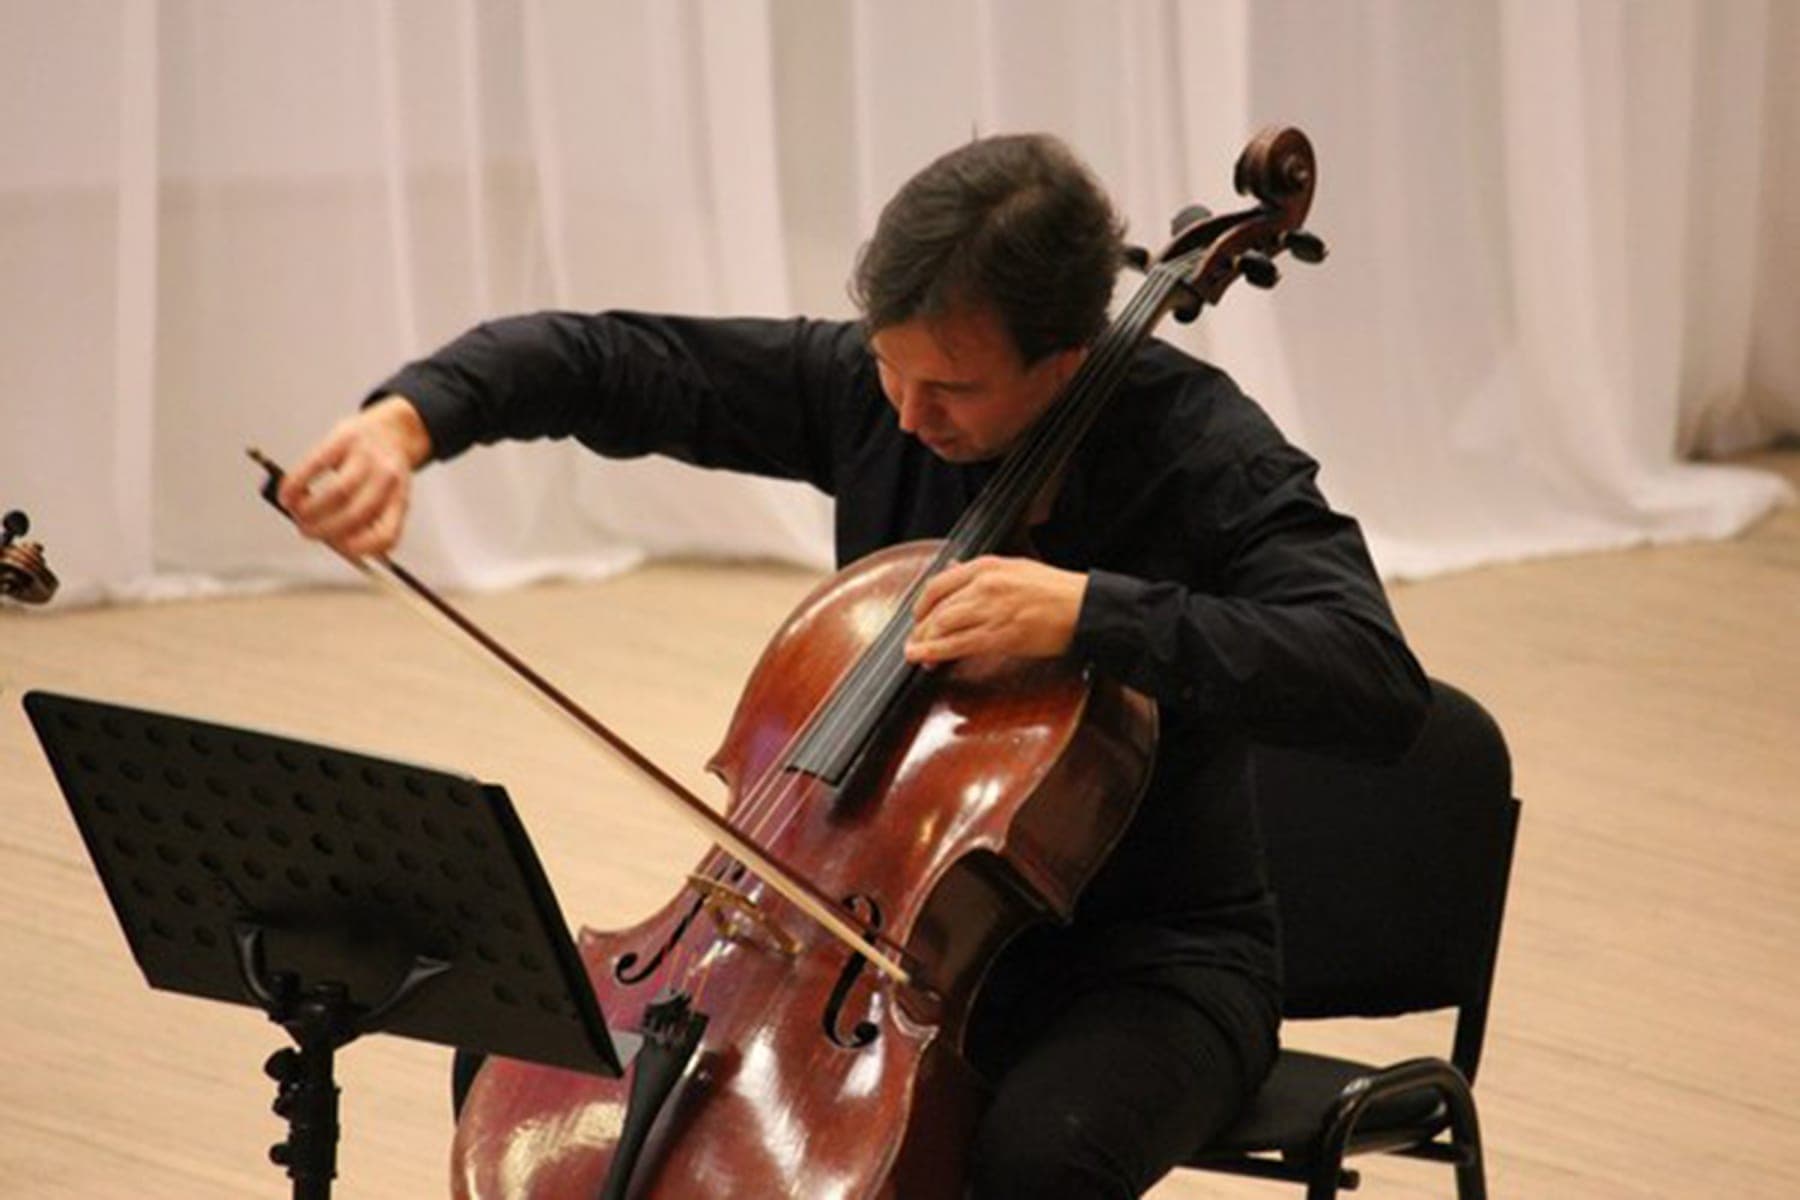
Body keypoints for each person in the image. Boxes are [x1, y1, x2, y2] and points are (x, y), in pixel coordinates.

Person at [280, 133, 1430, 1199]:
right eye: (890, 367)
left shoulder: (1205, 454)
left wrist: (1093, 614)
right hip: (838, 945)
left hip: (1143, 970)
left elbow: (1371, 679)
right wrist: (409, 421)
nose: (910, 413)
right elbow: (609, 362)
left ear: (1067, 357)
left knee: (1038, 1164)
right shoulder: (877, 398)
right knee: (544, 1058)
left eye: (954, 388)